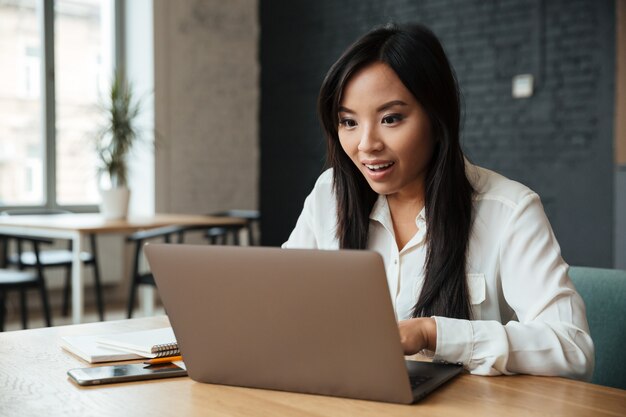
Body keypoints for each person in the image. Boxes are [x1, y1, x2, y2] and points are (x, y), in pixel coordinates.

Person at [282, 23, 594, 380]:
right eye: (348, 122)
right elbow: (283, 302)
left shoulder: (508, 210)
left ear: (436, 116)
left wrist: (433, 333)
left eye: (390, 118)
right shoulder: (330, 194)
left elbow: (572, 348)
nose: (366, 144)